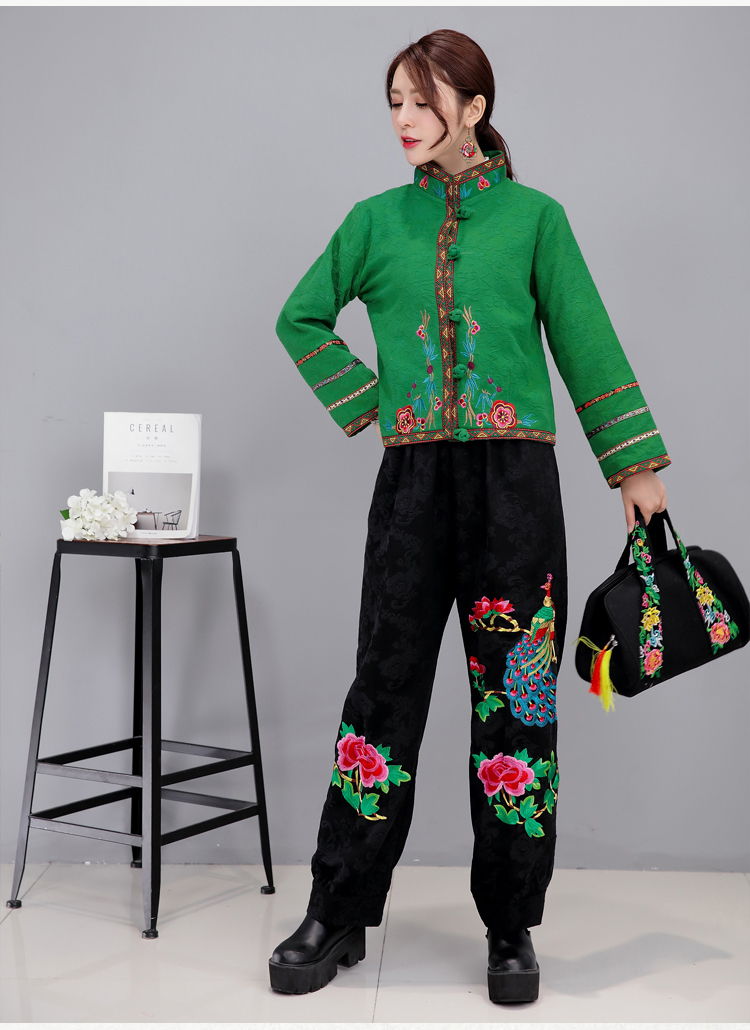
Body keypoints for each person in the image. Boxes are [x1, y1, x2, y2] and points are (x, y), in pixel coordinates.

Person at [268, 29, 668, 1004]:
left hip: (515, 491)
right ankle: (339, 906)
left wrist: (634, 467)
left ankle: (511, 925)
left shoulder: (535, 220)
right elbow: (300, 317)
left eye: (421, 100)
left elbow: (585, 338)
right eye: (394, 102)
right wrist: (371, 403)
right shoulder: (374, 222)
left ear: (474, 108)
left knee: (518, 704)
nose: (403, 119)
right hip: (411, 490)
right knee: (382, 694)